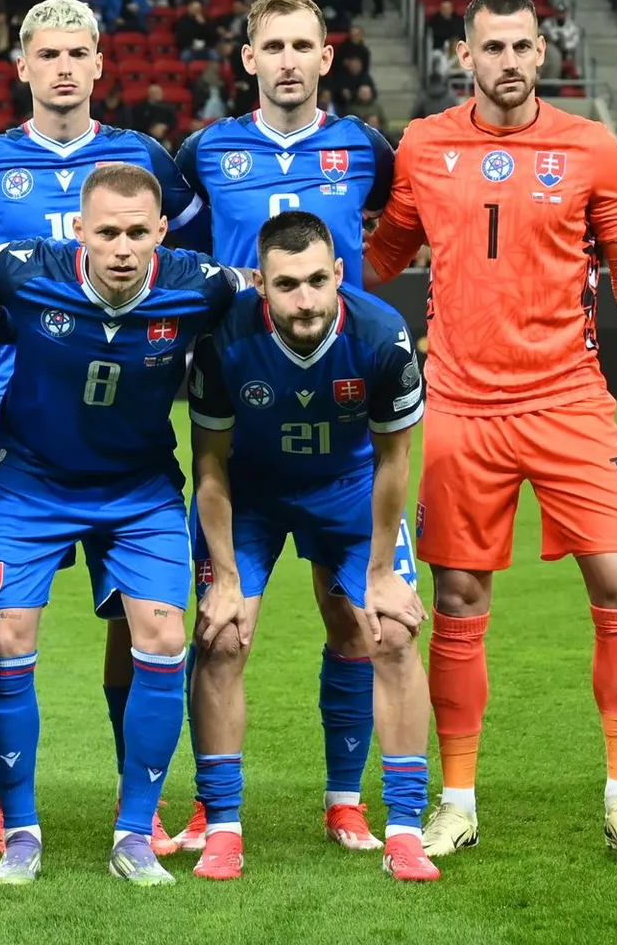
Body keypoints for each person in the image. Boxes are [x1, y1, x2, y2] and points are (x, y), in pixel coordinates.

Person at [366, 0, 617, 865]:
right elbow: (383, 255)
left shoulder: (590, 147)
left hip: (571, 399)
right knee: (460, 602)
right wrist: (282, 279)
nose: (508, 61)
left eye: (522, 46)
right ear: (463, 57)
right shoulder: (424, 145)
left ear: (543, 53)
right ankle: (457, 802)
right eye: (492, 47)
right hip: (461, 406)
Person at [0, 164, 242, 885]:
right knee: (6, 637)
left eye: (137, 233)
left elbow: (266, 292)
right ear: (79, 231)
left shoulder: (200, 284)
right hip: (28, 484)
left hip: (138, 491)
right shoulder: (23, 267)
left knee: (163, 636)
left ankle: (135, 832)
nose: (122, 249)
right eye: (106, 233)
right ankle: (20, 830)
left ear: (161, 232)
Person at [0, 0, 201, 859]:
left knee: (142, 627)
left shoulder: (147, 159)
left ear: (98, 64)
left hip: (131, 432)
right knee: (6, 630)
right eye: (46, 55)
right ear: (21, 65)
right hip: (28, 426)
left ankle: (139, 802)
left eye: (76, 53)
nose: (62, 68)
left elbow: (189, 262)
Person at [172, 0, 402, 855]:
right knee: (222, 626)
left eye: (304, 45)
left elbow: (397, 234)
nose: (289, 61)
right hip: (243, 408)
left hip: (340, 413)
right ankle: (213, 807)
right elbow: (175, 247)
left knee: (354, 623)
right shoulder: (205, 151)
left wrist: (362, 303)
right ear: (249, 60)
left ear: (326, 57)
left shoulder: (364, 148)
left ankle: (346, 802)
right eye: (273, 46)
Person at [187, 211, 437, 882]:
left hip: (349, 489)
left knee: (389, 631)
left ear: (339, 274)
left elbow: (394, 461)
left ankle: (394, 824)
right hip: (251, 493)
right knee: (222, 636)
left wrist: (380, 572)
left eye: (318, 281)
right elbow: (209, 465)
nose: (305, 299)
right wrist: (225, 580)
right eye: (287, 284)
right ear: (260, 285)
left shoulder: (381, 335)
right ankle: (223, 824)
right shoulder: (225, 336)